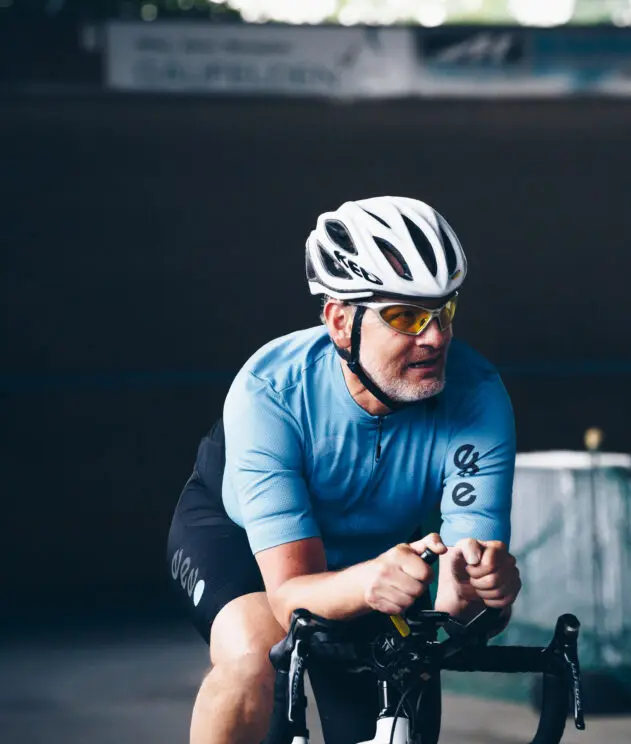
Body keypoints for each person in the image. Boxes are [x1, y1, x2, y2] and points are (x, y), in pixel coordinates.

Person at [166, 196, 522, 744]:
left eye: (445, 310)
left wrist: (482, 594)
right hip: (242, 544)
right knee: (257, 662)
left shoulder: (479, 398)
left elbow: (456, 608)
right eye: (406, 315)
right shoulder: (269, 393)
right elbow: (289, 598)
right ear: (339, 321)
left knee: (403, 680)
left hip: (382, 562)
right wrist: (365, 582)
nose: (436, 337)